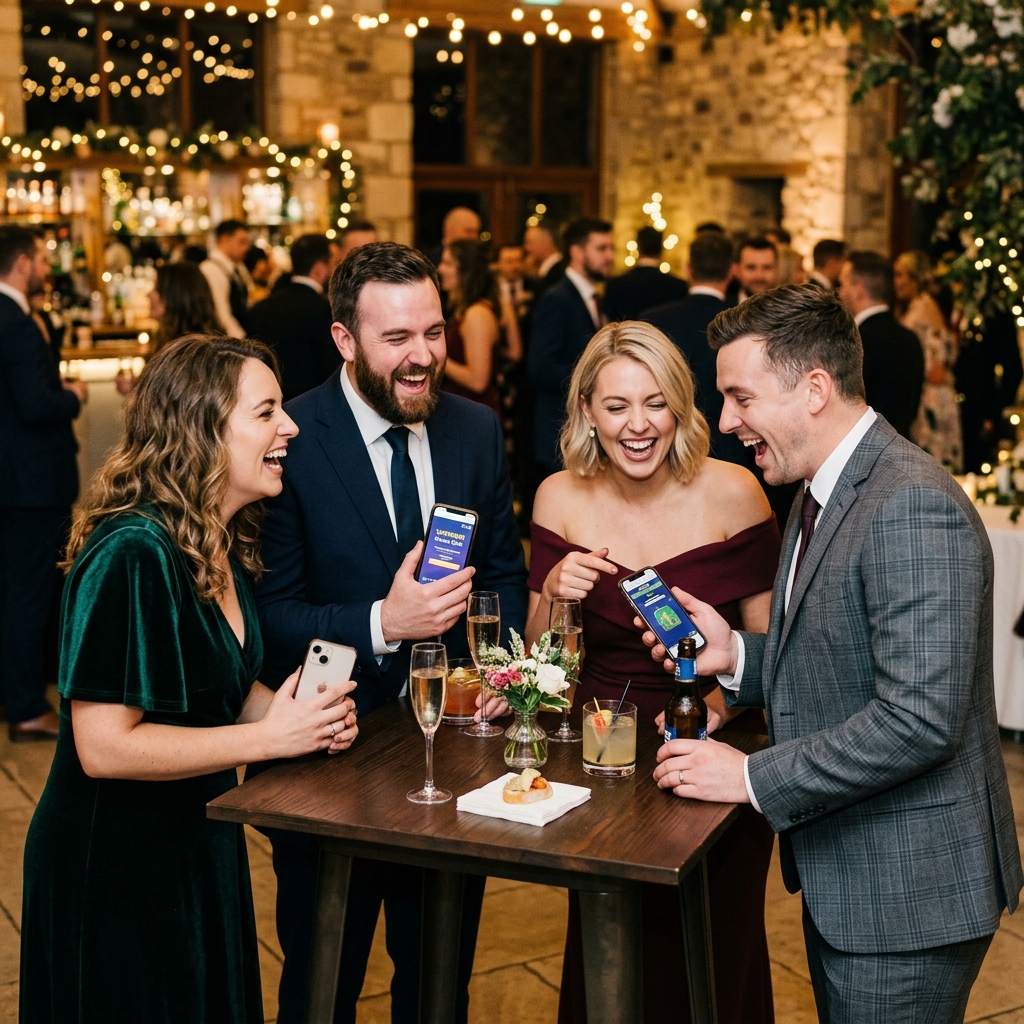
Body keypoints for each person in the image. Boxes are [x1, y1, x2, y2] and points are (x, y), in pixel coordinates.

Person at [647, 285, 1023, 1024]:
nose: (726, 422)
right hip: (859, 875)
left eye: (740, 397)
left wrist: (751, 776)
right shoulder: (820, 489)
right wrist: (735, 658)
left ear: (814, 389)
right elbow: (838, 655)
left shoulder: (910, 503)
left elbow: (918, 719)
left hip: (909, 896)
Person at [19, 334, 359, 1023]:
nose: (289, 425)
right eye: (266, 413)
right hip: (115, 863)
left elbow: (216, 693)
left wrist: (294, 715)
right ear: (204, 429)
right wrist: (267, 742)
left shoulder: (211, 537)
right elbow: (104, 746)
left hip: (195, 841)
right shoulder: (133, 552)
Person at [253, 241, 528, 1024]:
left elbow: (504, 573)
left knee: (439, 984)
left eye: (434, 333)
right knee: (320, 982)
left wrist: (496, 673)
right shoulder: (290, 438)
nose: (423, 358)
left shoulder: (474, 431)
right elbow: (268, 615)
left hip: (455, 757)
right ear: (344, 339)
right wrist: (386, 622)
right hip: (325, 758)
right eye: (397, 339)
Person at [520, 320, 780, 1024]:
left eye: (656, 402)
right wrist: (553, 595)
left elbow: (774, 648)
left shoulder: (736, 491)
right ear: (586, 413)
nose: (639, 425)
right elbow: (544, 669)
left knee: (713, 956)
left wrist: (719, 709)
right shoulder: (558, 498)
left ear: (681, 406)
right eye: (616, 406)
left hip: (717, 751)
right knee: (613, 960)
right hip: (601, 763)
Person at [0, 226, 87, 741]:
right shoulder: (14, 321)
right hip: (29, 483)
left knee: (17, 586)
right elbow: (35, 406)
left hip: (14, 480)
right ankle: (28, 706)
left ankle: (17, 693)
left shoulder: (17, 317)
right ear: (24, 262)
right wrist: (73, 395)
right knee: (29, 592)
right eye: (40, 258)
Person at [644, 231, 747, 465]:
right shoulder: (743, 324)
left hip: (667, 443)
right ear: (732, 271)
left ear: (688, 269)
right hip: (727, 444)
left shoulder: (653, 320)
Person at [528, 217, 614, 477]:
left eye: (611, 248)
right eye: (601, 249)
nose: (610, 256)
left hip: (581, 434)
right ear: (576, 252)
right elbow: (541, 367)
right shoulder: (557, 299)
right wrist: (596, 378)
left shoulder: (595, 298)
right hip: (561, 434)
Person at [838, 250, 924, 439]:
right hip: (901, 446)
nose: (840, 292)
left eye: (843, 283)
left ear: (858, 288)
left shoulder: (854, 340)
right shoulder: (910, 338)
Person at [246, 233, 339, 402]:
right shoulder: (326, 311)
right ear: (319, 268)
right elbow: (332, 370)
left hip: (267, 404)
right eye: (333, 264)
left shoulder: (261, 308)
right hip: (313, 407)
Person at [895, 251, 963, 470]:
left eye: (901, 275)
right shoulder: (920, 306)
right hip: (932, 395)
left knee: (932, 466)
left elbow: (937, 368)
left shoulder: (923, 308)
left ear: (915, 279)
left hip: (932, 399)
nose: (896, 282)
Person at [115, 262, 223, 396]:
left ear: (174, 296)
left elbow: (175, 404)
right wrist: (137, 386)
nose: (148, 294)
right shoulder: (176, 340)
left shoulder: (190, 350)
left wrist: (139, 390)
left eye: (155, 288)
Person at [437, 239, 503, 414]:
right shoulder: (464, 310)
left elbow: (478, 381)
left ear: (466, 272)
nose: (440, 269)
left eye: (448, 263)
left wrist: (437, 357)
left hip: (473, 411)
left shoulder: (476, 314)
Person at [603, 226, 687, 321]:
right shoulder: (677, 286)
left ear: (638, 247)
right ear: (661, 249)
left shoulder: (615, 284)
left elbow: (607, 322)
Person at [201, 219, 253, 338]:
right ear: (224, 240)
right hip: (228, 339)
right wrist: (242, 340)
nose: (246, 248)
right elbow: (221, 314)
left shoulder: (239, 266)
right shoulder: (210, 269)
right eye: (242, 242)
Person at [522, 223, 564, 299]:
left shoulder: (559, 273)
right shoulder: (545, 273)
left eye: (529, 242)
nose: (526, 248)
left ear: (545, 242)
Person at [732, 237, 778, 304]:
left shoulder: (789, 310)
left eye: (766, 267)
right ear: (737, 270)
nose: (759, 276)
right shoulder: (720, 310)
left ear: (777, 269)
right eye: (751, 267)